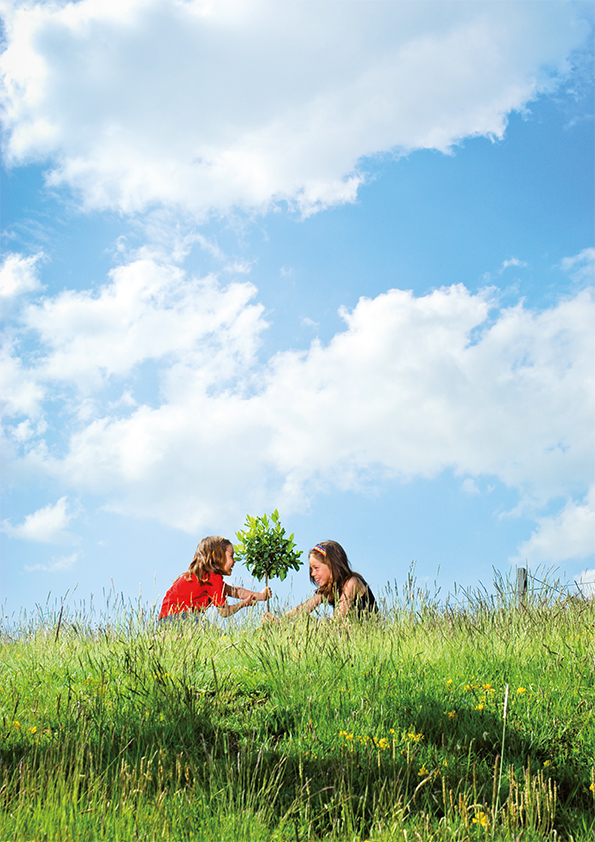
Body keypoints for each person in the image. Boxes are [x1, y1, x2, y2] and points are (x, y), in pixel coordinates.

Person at [159, 535, 270, 620]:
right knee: (216, 637)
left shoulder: (202, 576)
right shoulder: (213, 578)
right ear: (216, 557)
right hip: (180, 618)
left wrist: (261, 596)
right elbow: (224, 612)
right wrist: (243, 604)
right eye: (231, 556)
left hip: (165, 619)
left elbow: (234, 591)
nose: (234, 560)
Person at [284, 540, 377, 619]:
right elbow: (305, 608)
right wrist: (280, 620)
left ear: (332, 566)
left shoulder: (352, 583)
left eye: (316, 568)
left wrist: (313, 624)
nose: (312, 573)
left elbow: (338, 618)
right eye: (311, 569)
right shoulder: (328, 587)